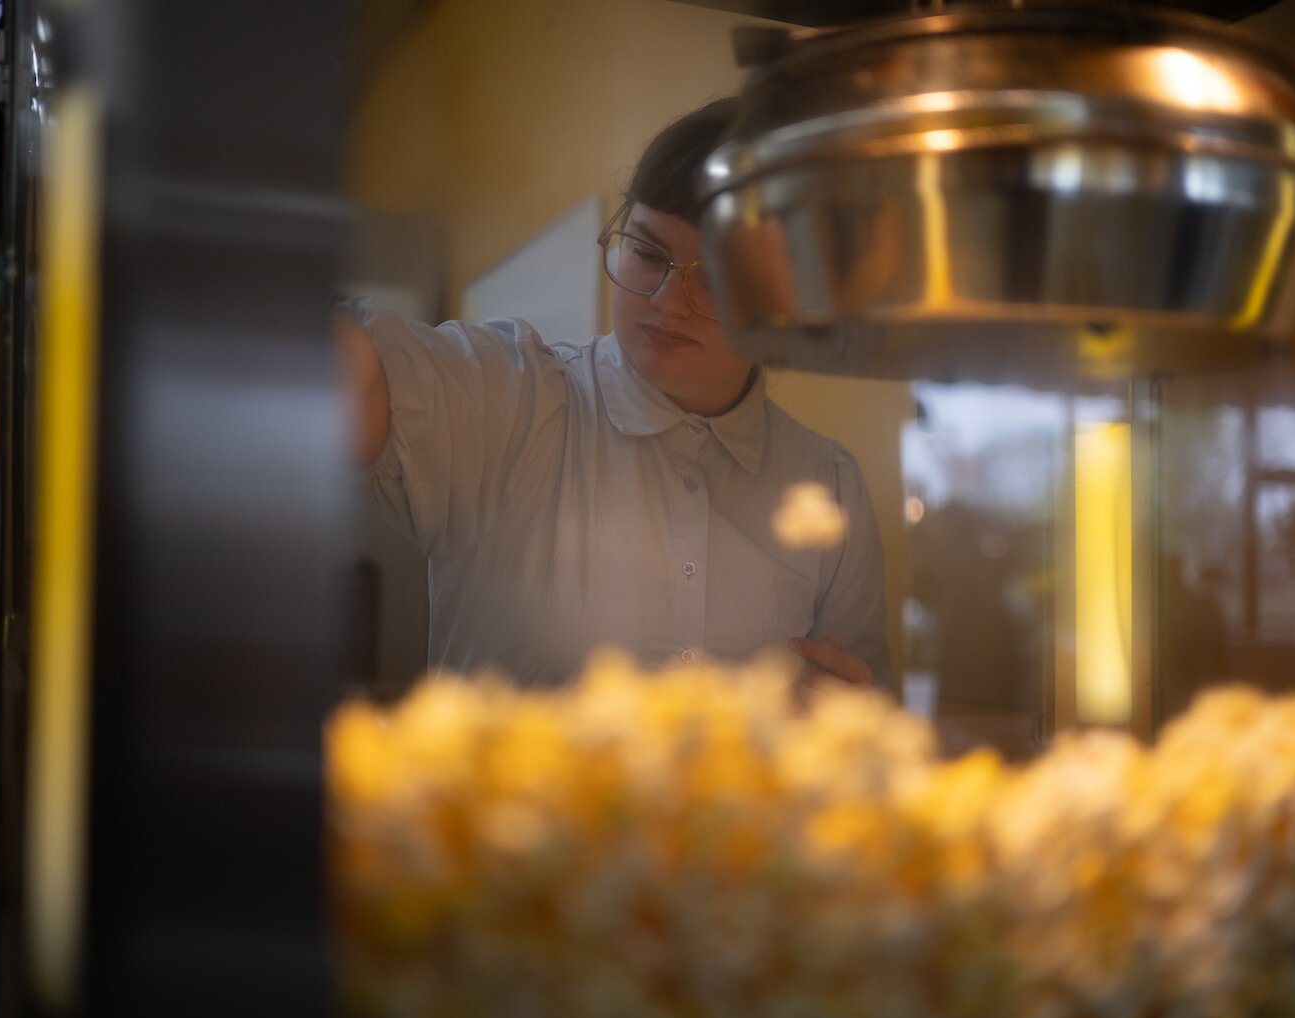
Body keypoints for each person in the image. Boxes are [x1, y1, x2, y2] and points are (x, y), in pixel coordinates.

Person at [338, 97, 892, 690]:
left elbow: (866, 713)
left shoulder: (828, 483)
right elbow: (361, 376)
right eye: (648, 253)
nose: (666, 301)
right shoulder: (515, 399)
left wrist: (846, 708)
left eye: (717, 277)